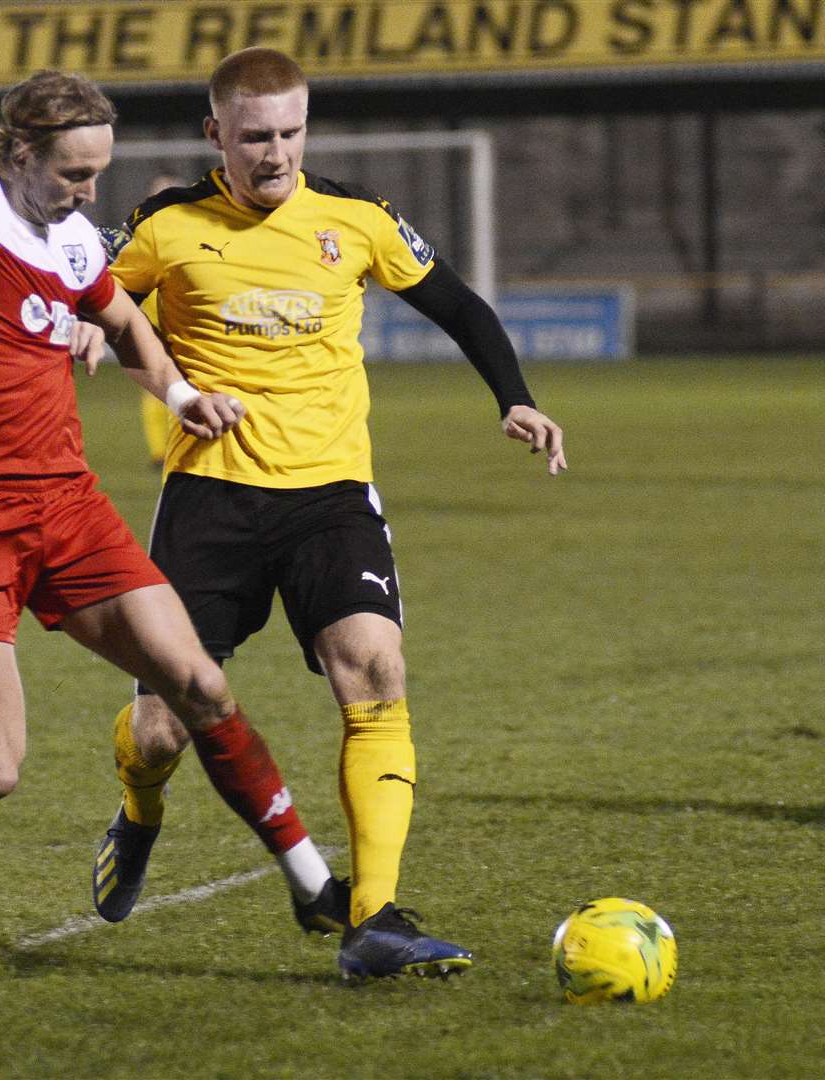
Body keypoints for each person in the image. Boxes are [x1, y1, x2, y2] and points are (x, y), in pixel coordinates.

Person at [0, 69, 353, 990]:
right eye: (73, 173)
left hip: (66, 505)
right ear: (22, 155)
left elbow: (123, 320)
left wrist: (182, 394)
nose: (89, 193)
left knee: (198, 682)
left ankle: (311, 883)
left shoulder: (72, 243)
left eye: (99, 172)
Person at [90, 47, 566, 981]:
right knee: (160, 729)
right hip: (210, 498)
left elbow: (458, 305)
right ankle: (139, 811)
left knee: (375, 669)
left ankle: (375, 917)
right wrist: (100, 334)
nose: (275, 153)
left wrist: (510, 394)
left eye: (291, 132)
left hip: (331, 495)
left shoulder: (355, 218)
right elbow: (104, 306)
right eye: (255, 135)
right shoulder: (165, 225)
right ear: (214, 134)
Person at [134, 172, 186, 469]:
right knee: (155, 388)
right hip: (154, 325)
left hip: (187, 326)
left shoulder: (192, 231)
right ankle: (159, 453)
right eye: (157, 191)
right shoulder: (142, 234)